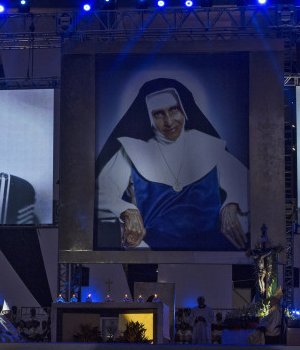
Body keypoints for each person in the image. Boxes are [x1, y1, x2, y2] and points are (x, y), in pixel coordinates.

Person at [96, 78, 249, 250]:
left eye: (174, 109)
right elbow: (99, 194)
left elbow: (247, 183)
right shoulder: (132, 151)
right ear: (148, 117)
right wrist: (126, 209)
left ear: (184, 109)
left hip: (211, 251)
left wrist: (232, 204)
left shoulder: (208, 145)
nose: (169, 121)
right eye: (158, 113)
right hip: (152, 252)